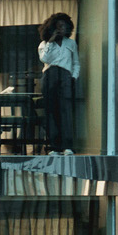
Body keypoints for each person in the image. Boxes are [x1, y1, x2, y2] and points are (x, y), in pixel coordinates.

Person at [37, 11, 80, 154]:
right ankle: (53, 146)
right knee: (50, 112)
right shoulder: (44, 44)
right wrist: (51, 41)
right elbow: (45, 59)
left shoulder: (71, 43)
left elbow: (76, 63)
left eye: (64, 26)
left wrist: (73, 77)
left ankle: (67, 146)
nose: (62, 29)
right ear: (52, 27)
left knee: (65, 111)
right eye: (58, 26)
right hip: (50, 76)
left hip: (65, 77)